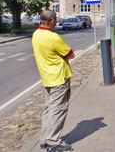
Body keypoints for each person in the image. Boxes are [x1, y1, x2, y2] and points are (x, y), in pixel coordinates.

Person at [32, 10, 75, 151]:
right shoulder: (53, 37)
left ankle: (44, 138)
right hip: (58, 76)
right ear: (51, 21)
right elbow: (70, 54)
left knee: (49, 108)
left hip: (46, 76)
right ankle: (53, 141)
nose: (56, 23)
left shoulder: (36, 34)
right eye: (55, 21)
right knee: (59, 109)